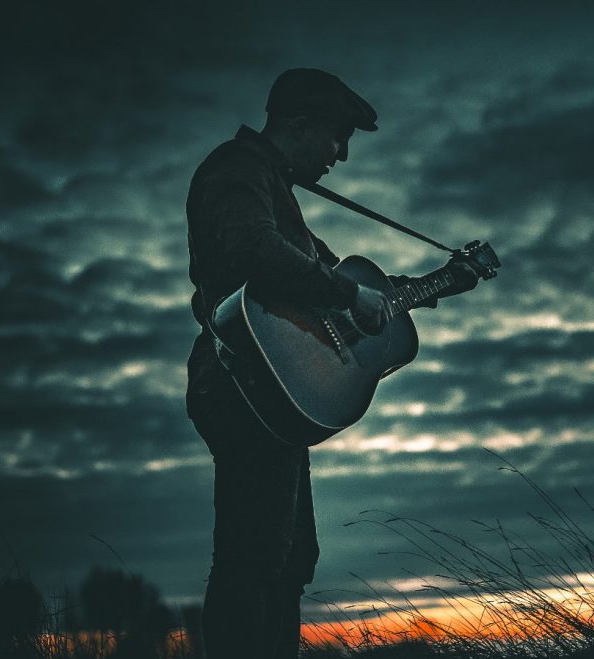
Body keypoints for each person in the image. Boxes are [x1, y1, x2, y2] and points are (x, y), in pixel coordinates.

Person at [184, 68, 479, 659]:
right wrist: (348, 296)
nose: (340, 156)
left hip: (271, 395)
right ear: (298, 125)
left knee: (288, 559)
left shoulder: (275, 191)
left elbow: (343, 289)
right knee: (253, 556)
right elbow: (252, 250)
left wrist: (441, 283)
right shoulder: (236, 169)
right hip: (242, 385)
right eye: (337, 137)